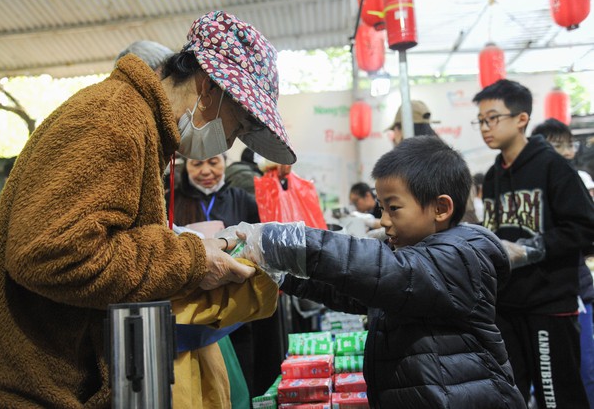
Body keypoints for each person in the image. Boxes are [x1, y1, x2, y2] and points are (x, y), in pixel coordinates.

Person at [0, 10, 296, 408]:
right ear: (209, 87)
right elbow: (51, 251)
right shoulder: (111, 120)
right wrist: (191, 258)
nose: (230, 142)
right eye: (239, 125)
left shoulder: (143, 127)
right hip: (1, 386)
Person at [221, 136, 526, 409]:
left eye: (393, 209)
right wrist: (282, 273)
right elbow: (353, 289)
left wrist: (279, 243)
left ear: (441, 208)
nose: (383, 221)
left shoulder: (460, 258)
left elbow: (383, 271)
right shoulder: (411, 257)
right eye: (381, 209)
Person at [472, 79, 594, 408]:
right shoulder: (495, 175)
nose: (485, 127)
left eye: (492, 118)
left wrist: (531, 249)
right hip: (508, 307)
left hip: (549, 306)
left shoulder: (554, 167)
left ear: (521, 118)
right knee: (513, 394)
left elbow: (585, 228)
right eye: (480, 120)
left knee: (556, 396)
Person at [166, 153, 286, 400]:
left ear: (225, 163)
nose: (206, 170)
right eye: (197, 163)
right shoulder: (172, 201)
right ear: (186, 167)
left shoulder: (242, 199)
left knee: (242, 383)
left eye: (213, 162)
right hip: (194, 315)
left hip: (236, 313)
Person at [531, 117, 594, 409]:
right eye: (562, 146)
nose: (568, 152)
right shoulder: (532, 184)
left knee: (583, 370)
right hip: (543, 299)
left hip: (574, 293)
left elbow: (583, 232)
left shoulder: (571, 180)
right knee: (554, 377)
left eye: (567, 146)